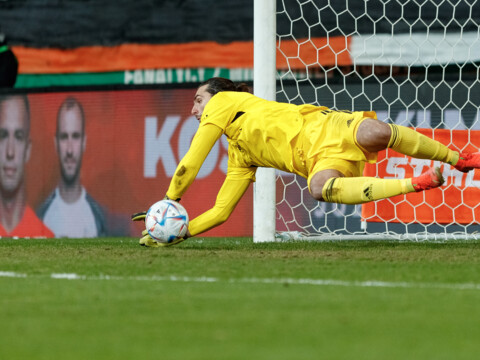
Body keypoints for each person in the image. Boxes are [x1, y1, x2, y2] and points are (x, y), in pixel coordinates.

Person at [133, 77, 480, 247]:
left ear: (216, 97)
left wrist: (171, 200)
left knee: (373, 130)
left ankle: (458, 158)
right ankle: (417, 184)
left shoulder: (224, 102)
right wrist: (176, 232)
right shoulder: (241, 156)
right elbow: (222, 211)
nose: (194, 110)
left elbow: (190, 163)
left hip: (326, 126)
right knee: (318, 188)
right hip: (319, 161)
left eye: (198, 101)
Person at [37, 97, 106, 238]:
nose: (69, 150)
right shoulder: (42, 216)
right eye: (64, 137)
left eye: (75, 136)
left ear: (84, 142)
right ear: (56, 143)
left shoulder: (98, 218)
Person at [0, 94, 54, 238]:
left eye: (18, 137)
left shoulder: (44, 240)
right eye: (3, 135)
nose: (10, 152)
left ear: (28, 150)